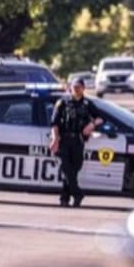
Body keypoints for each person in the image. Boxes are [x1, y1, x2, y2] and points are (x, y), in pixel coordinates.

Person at [49, 77, 103, 208]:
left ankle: (65, 199)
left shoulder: (87, 104)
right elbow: (54, 123)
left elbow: (101, 118)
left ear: (83, 88)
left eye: (79, 86)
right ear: (70, 88)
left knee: (73, 170)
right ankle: (77, 194)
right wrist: (55, 139)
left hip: (78, 141)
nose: (76, 89)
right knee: (66, 168)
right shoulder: (62, 102)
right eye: (74, 87)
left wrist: (91, 125)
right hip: (63, 140)